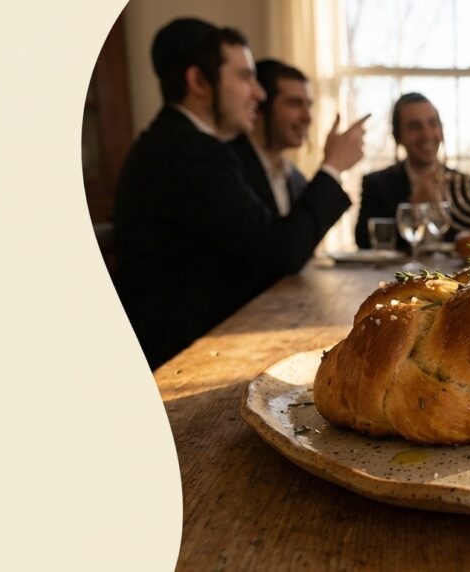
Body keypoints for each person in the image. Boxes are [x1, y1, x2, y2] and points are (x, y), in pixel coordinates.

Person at [112, 18, 368, 369]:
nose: (258, 93)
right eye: (245, 77)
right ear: (198, 81)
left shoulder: (178, 144)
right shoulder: (187, 152)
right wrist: (333, 167)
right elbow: (283, 250)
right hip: (176, 360)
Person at [354, 92, 470, 251]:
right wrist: (414, 208)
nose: (426, 134)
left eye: (433, 124)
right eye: (415, 126)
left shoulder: (468, 186)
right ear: (398, 136)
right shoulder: (376, 184)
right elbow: (364, 243)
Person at [227, 59, 317, 217]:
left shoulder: (298, 180)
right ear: (261, 105)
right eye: (295, 103)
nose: (307, 118)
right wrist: (332, 168)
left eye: (308, 105)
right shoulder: (227, 166)